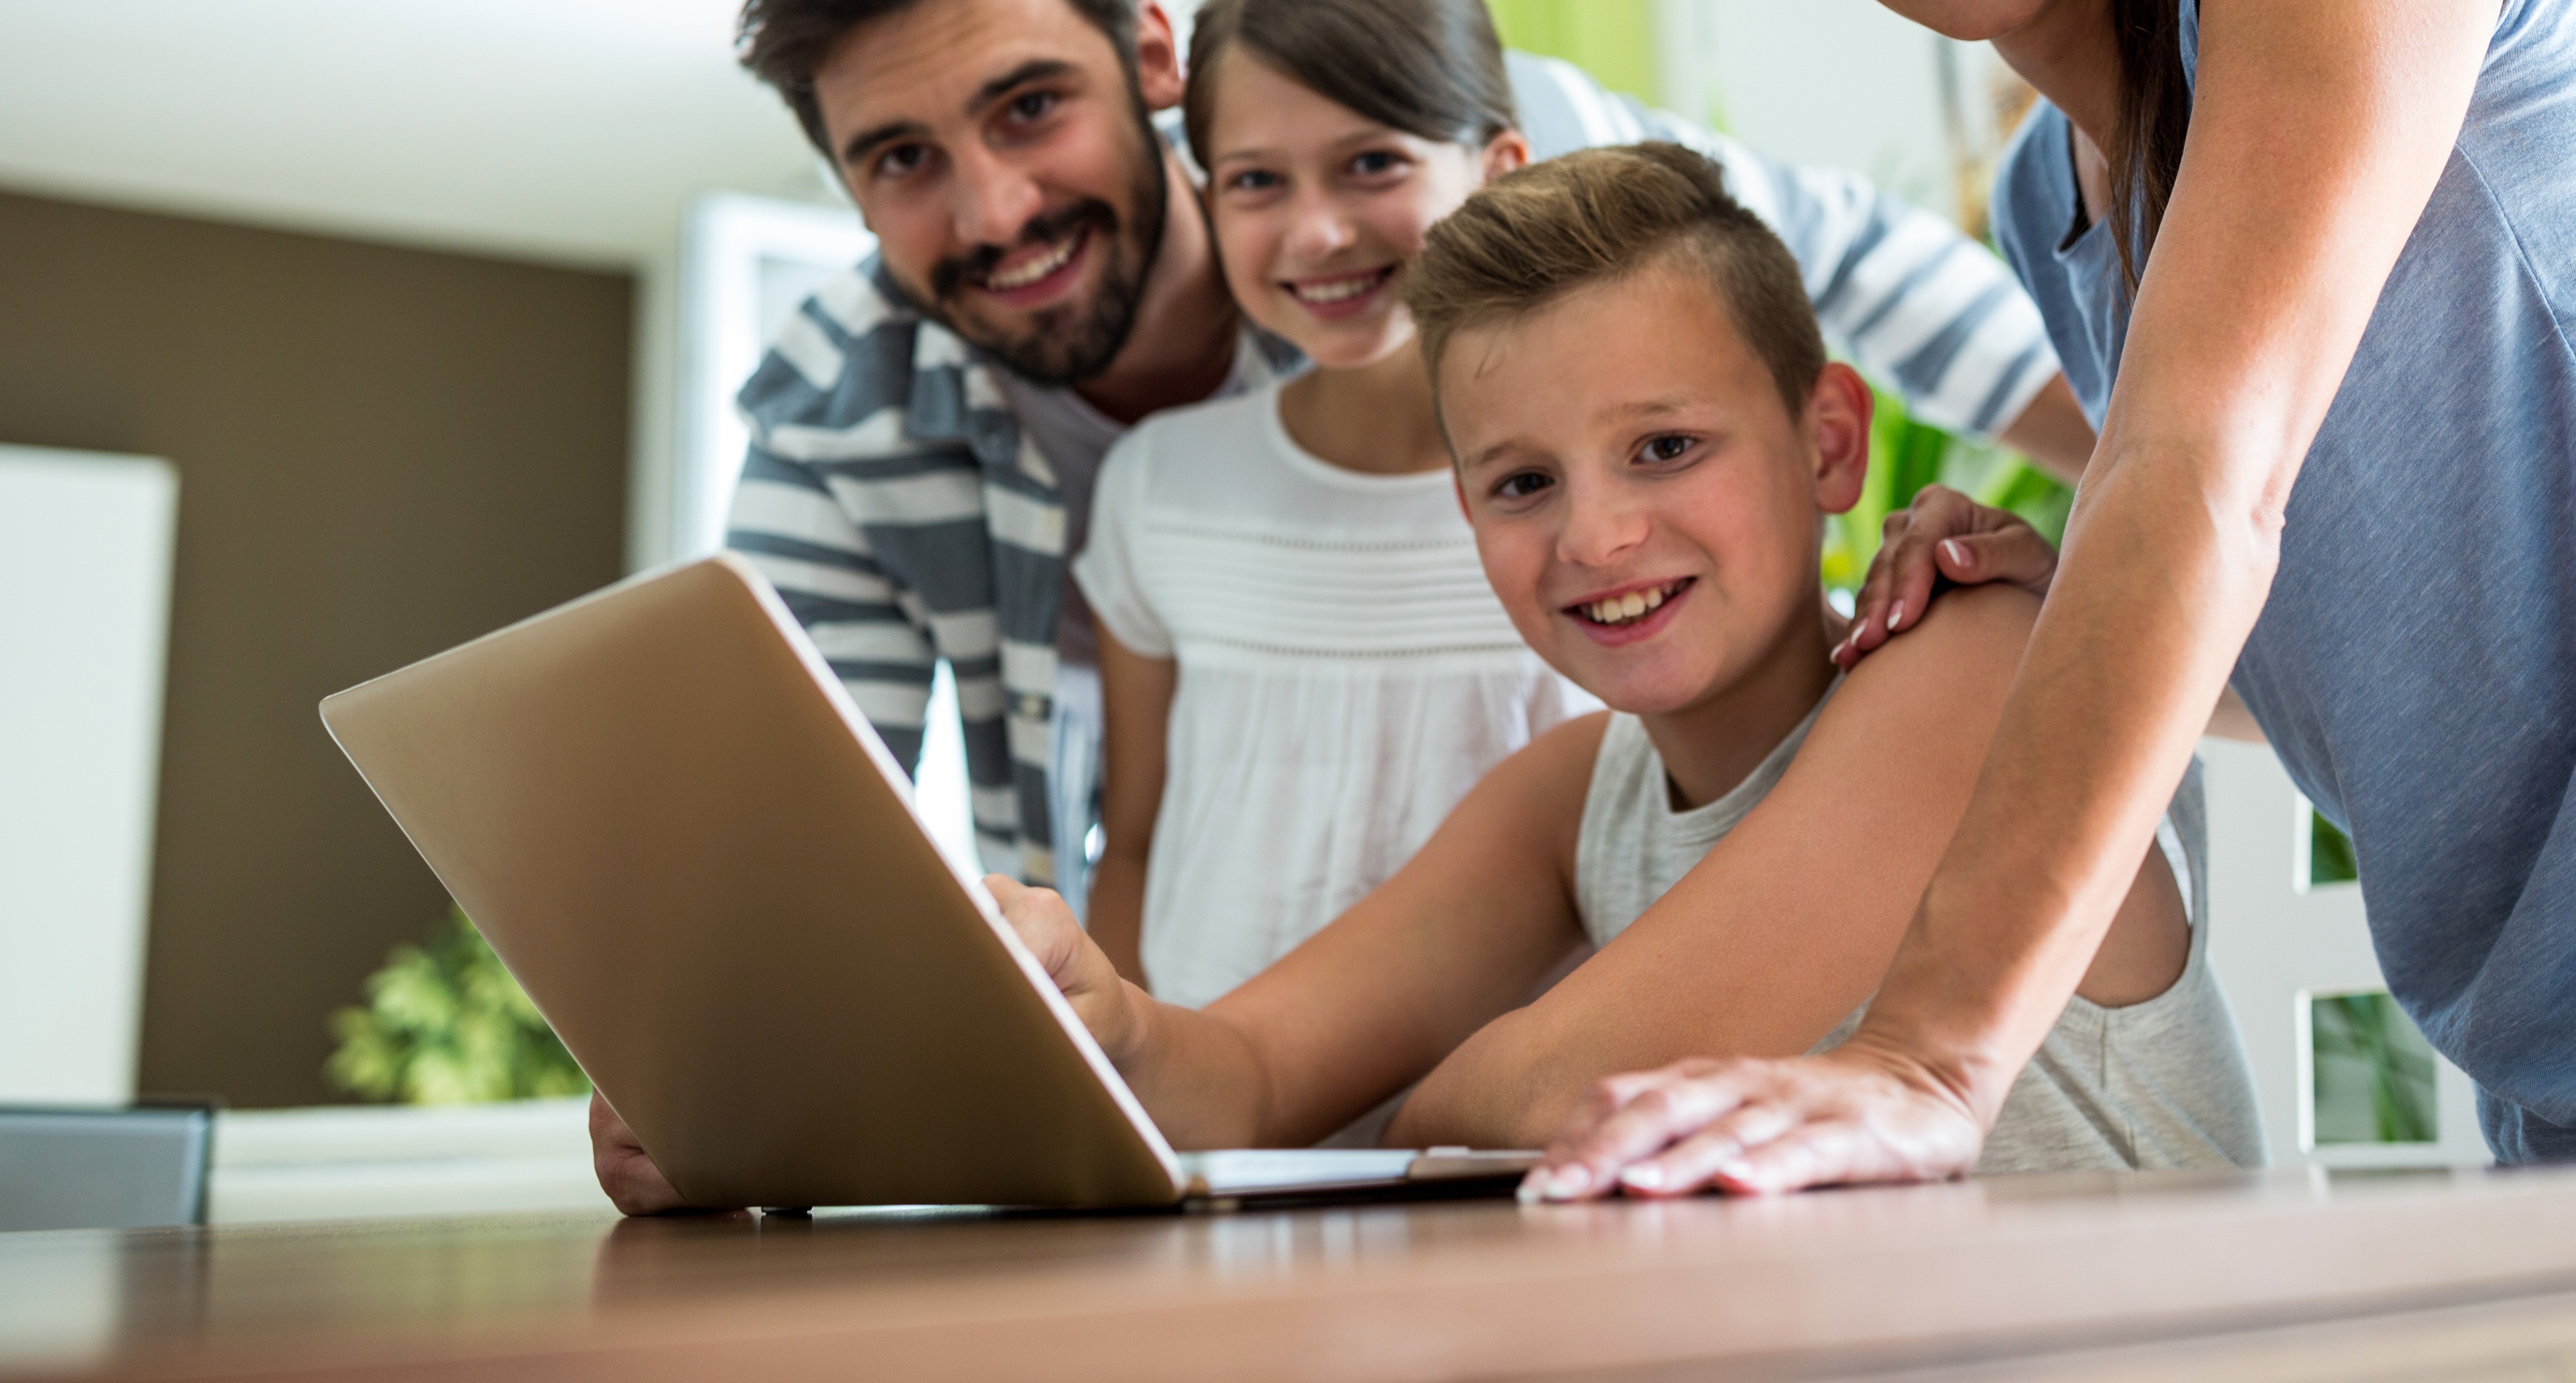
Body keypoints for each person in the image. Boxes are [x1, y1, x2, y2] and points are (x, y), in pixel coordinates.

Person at [1528, 0, 2576, 1198]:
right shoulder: (2048, 201)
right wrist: (2053, 574)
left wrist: (1927, 1057)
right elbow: (2353, 657)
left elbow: (2203, 472)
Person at [590, 144, 2256, 1211]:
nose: (1595, 537)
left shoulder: (1964, 648)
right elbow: (1233, 1072)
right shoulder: (1565, 800)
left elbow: (1544, 1095)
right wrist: (1009, 1033)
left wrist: (1363, 1110)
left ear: (1829, 441)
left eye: (1663, 448)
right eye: (1519, 484)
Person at [717, 0, 2092, 908]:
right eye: (900, 160)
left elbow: (1851, 256)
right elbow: (794, 842)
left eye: (1032, 109)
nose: (994, 210)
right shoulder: (837, 422)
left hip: (1560, 881)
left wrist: (2161, 483)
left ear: (1148, 58)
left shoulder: (1472, 177)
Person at [1074, 0, 1593, 1009]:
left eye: (1372, 165)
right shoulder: (1157, 486)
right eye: (1256, 181)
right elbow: (1129, 841)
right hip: (1216, 1143)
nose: (1316, 232)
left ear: (1498, 169)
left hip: (1514, 1142)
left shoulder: (1603, 502)